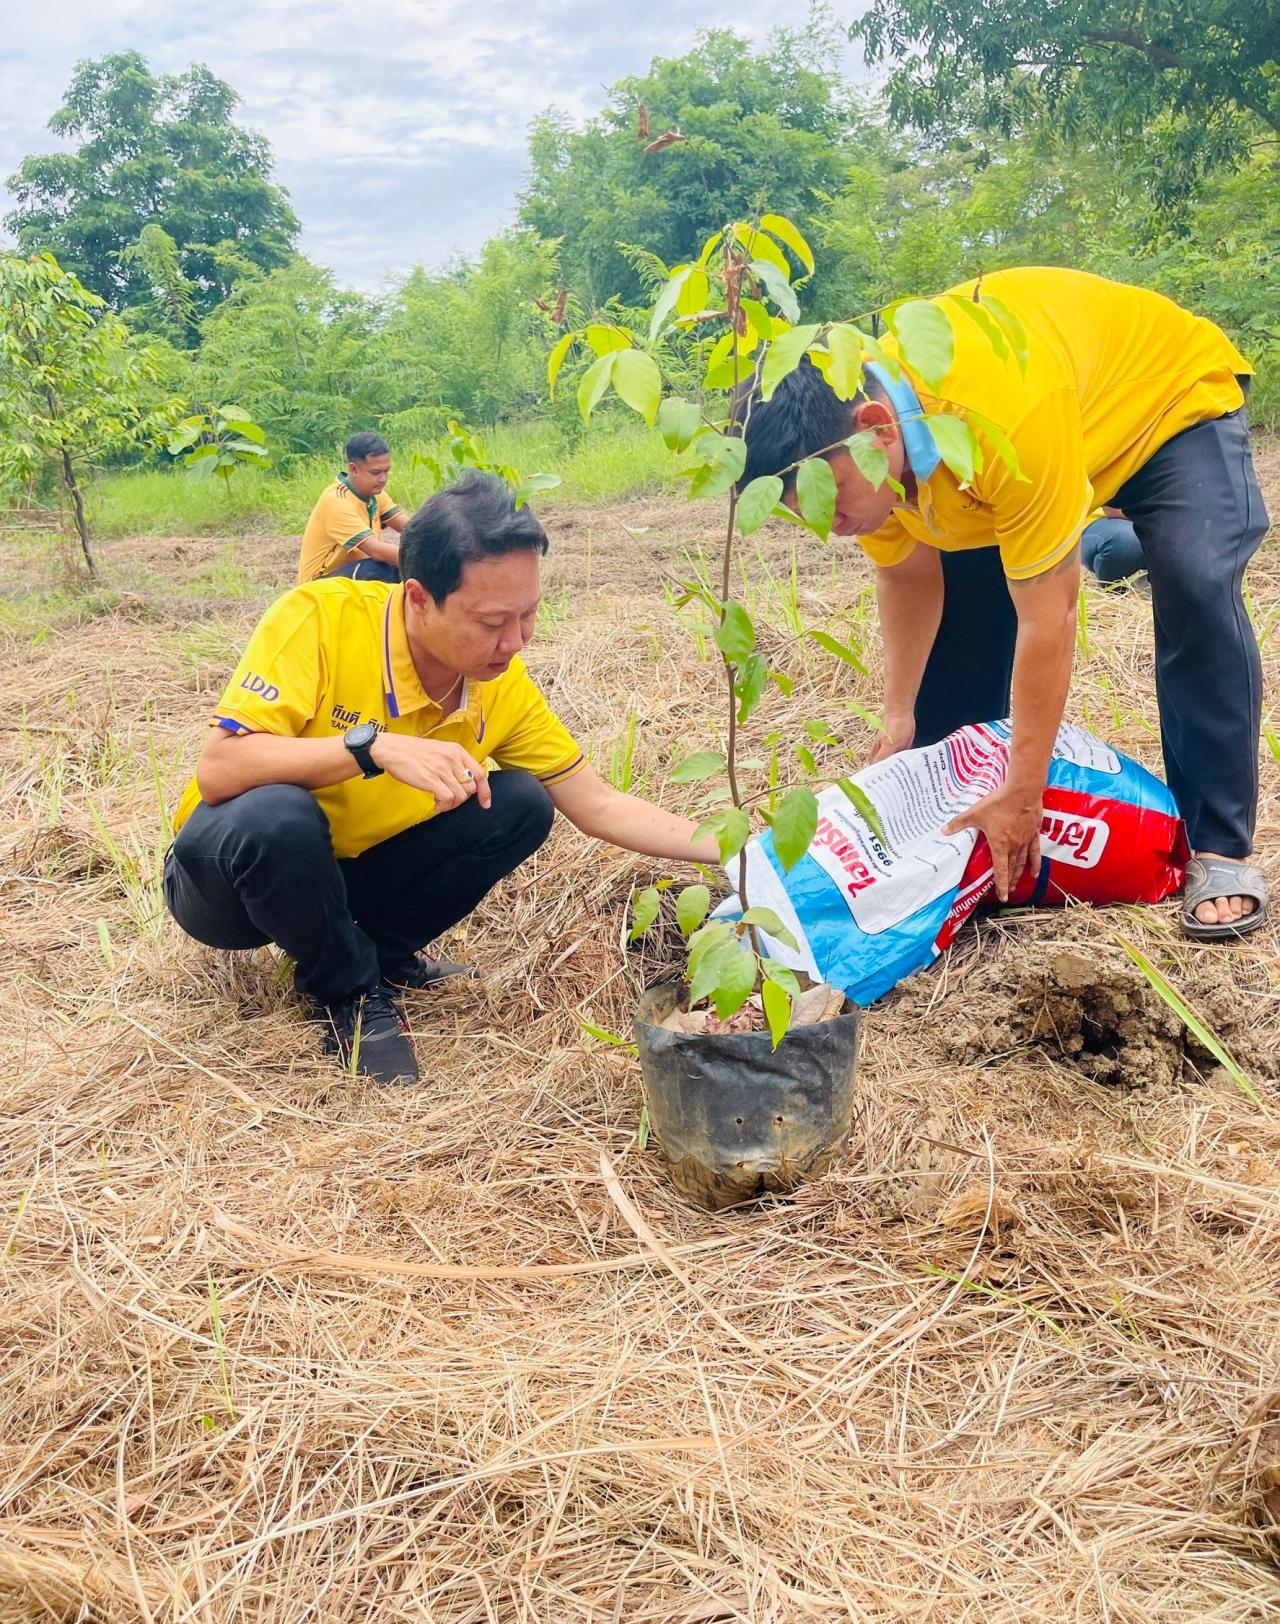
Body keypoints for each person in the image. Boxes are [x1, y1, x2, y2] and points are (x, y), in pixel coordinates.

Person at [736, 267, 1269, 941]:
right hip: (1028, 470)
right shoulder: (873, 460)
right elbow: (908, 578)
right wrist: (899, 715)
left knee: (1194, 575)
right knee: (961, 618)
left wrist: (1027, 790)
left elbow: (1047, 617)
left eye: (829, 501)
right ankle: (967, 831)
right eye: (800, 510)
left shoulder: (998, 415)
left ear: (875, 429)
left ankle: (1219, 847)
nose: (824, 524)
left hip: (1165, 408)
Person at [166, 472, 717, 1084]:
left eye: (528, 615)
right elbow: (221, 769)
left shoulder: (498, 684)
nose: (514, 641)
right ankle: (348, 991)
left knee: (520, 805)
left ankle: (378, 954)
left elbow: (601, 805)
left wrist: (750, 851)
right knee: (278, 816)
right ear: (419, 597)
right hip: (230, 882)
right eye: (489, 623)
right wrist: (372, 747)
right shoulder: (321, 619)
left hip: (349, 877)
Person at [298, 431, 407, 584]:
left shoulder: (375, 494)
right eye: (376, 472)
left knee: (404, 572)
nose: (383, 479)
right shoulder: (337, 501)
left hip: (353, 571)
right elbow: (376, 551)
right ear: (353, 469)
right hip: (318, 586)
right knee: (381, 569)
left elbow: (410, 528)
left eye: (386, 471)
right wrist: (424, 560)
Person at [1081, 507, 1146, 589]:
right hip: (1098, 521)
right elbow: (1113, 509)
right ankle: (1113, 589)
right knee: (1126, 541)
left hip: (1149, 518)